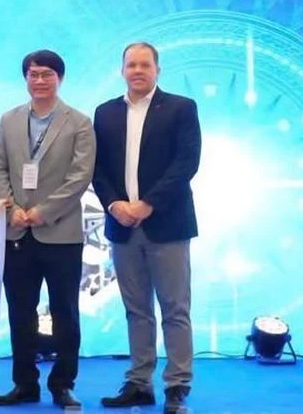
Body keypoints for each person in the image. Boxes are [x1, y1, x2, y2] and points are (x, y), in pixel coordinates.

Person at [93, 42, 201, 414]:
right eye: (131, 65)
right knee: (136, 310)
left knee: (175, 309)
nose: (137, 70)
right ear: (122, 70)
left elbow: (186, 162)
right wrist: (115, 204)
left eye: (145, 65)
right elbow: (97, 168)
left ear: (157, 69)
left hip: (167, 223)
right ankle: (139, 382)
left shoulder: (181, 108)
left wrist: (148, 203)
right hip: (122, 225)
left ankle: (177, 385)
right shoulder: (105, 113)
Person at [0, 50, 94, 410]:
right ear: (25, 79)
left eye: (47, 74)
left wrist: (42, 212)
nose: (39, 80)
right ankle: (24, 384)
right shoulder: (9, 120)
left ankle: (63, 385)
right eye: (33, 74)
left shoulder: (79, 122)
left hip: (61, 234)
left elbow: (80, 177)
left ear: (59, 78)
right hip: (16, 232)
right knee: (21, 312)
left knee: (65, 312)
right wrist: (12, 209)